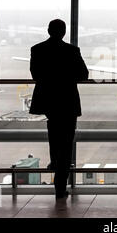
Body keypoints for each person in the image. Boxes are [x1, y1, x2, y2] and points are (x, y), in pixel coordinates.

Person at [29, 19, 89, 200]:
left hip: (49, 102)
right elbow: (83, 75)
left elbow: (35, 74)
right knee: (67, 142)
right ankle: (60, 186)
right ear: (64, 32)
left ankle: (54, 162)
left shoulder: (37, 49)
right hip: (67, 101)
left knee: (54, 137)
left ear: (48, 30)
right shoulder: (72, 51)